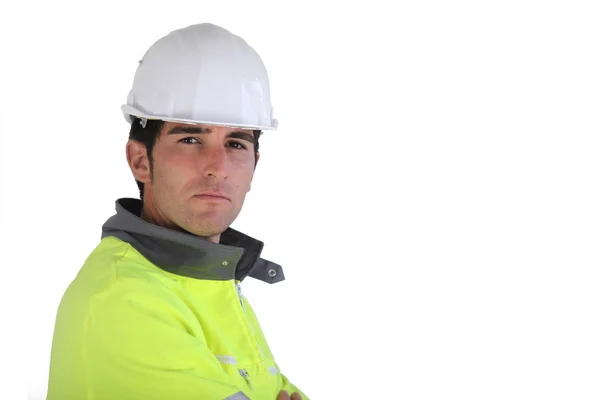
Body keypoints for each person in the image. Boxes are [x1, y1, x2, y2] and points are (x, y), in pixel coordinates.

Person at [47, 23, 308, 400]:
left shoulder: (211, 282)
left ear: (254, 165)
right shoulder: (123, 300)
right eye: (190, 139)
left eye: (236, 143)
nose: (217, 166)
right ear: (141, 160)